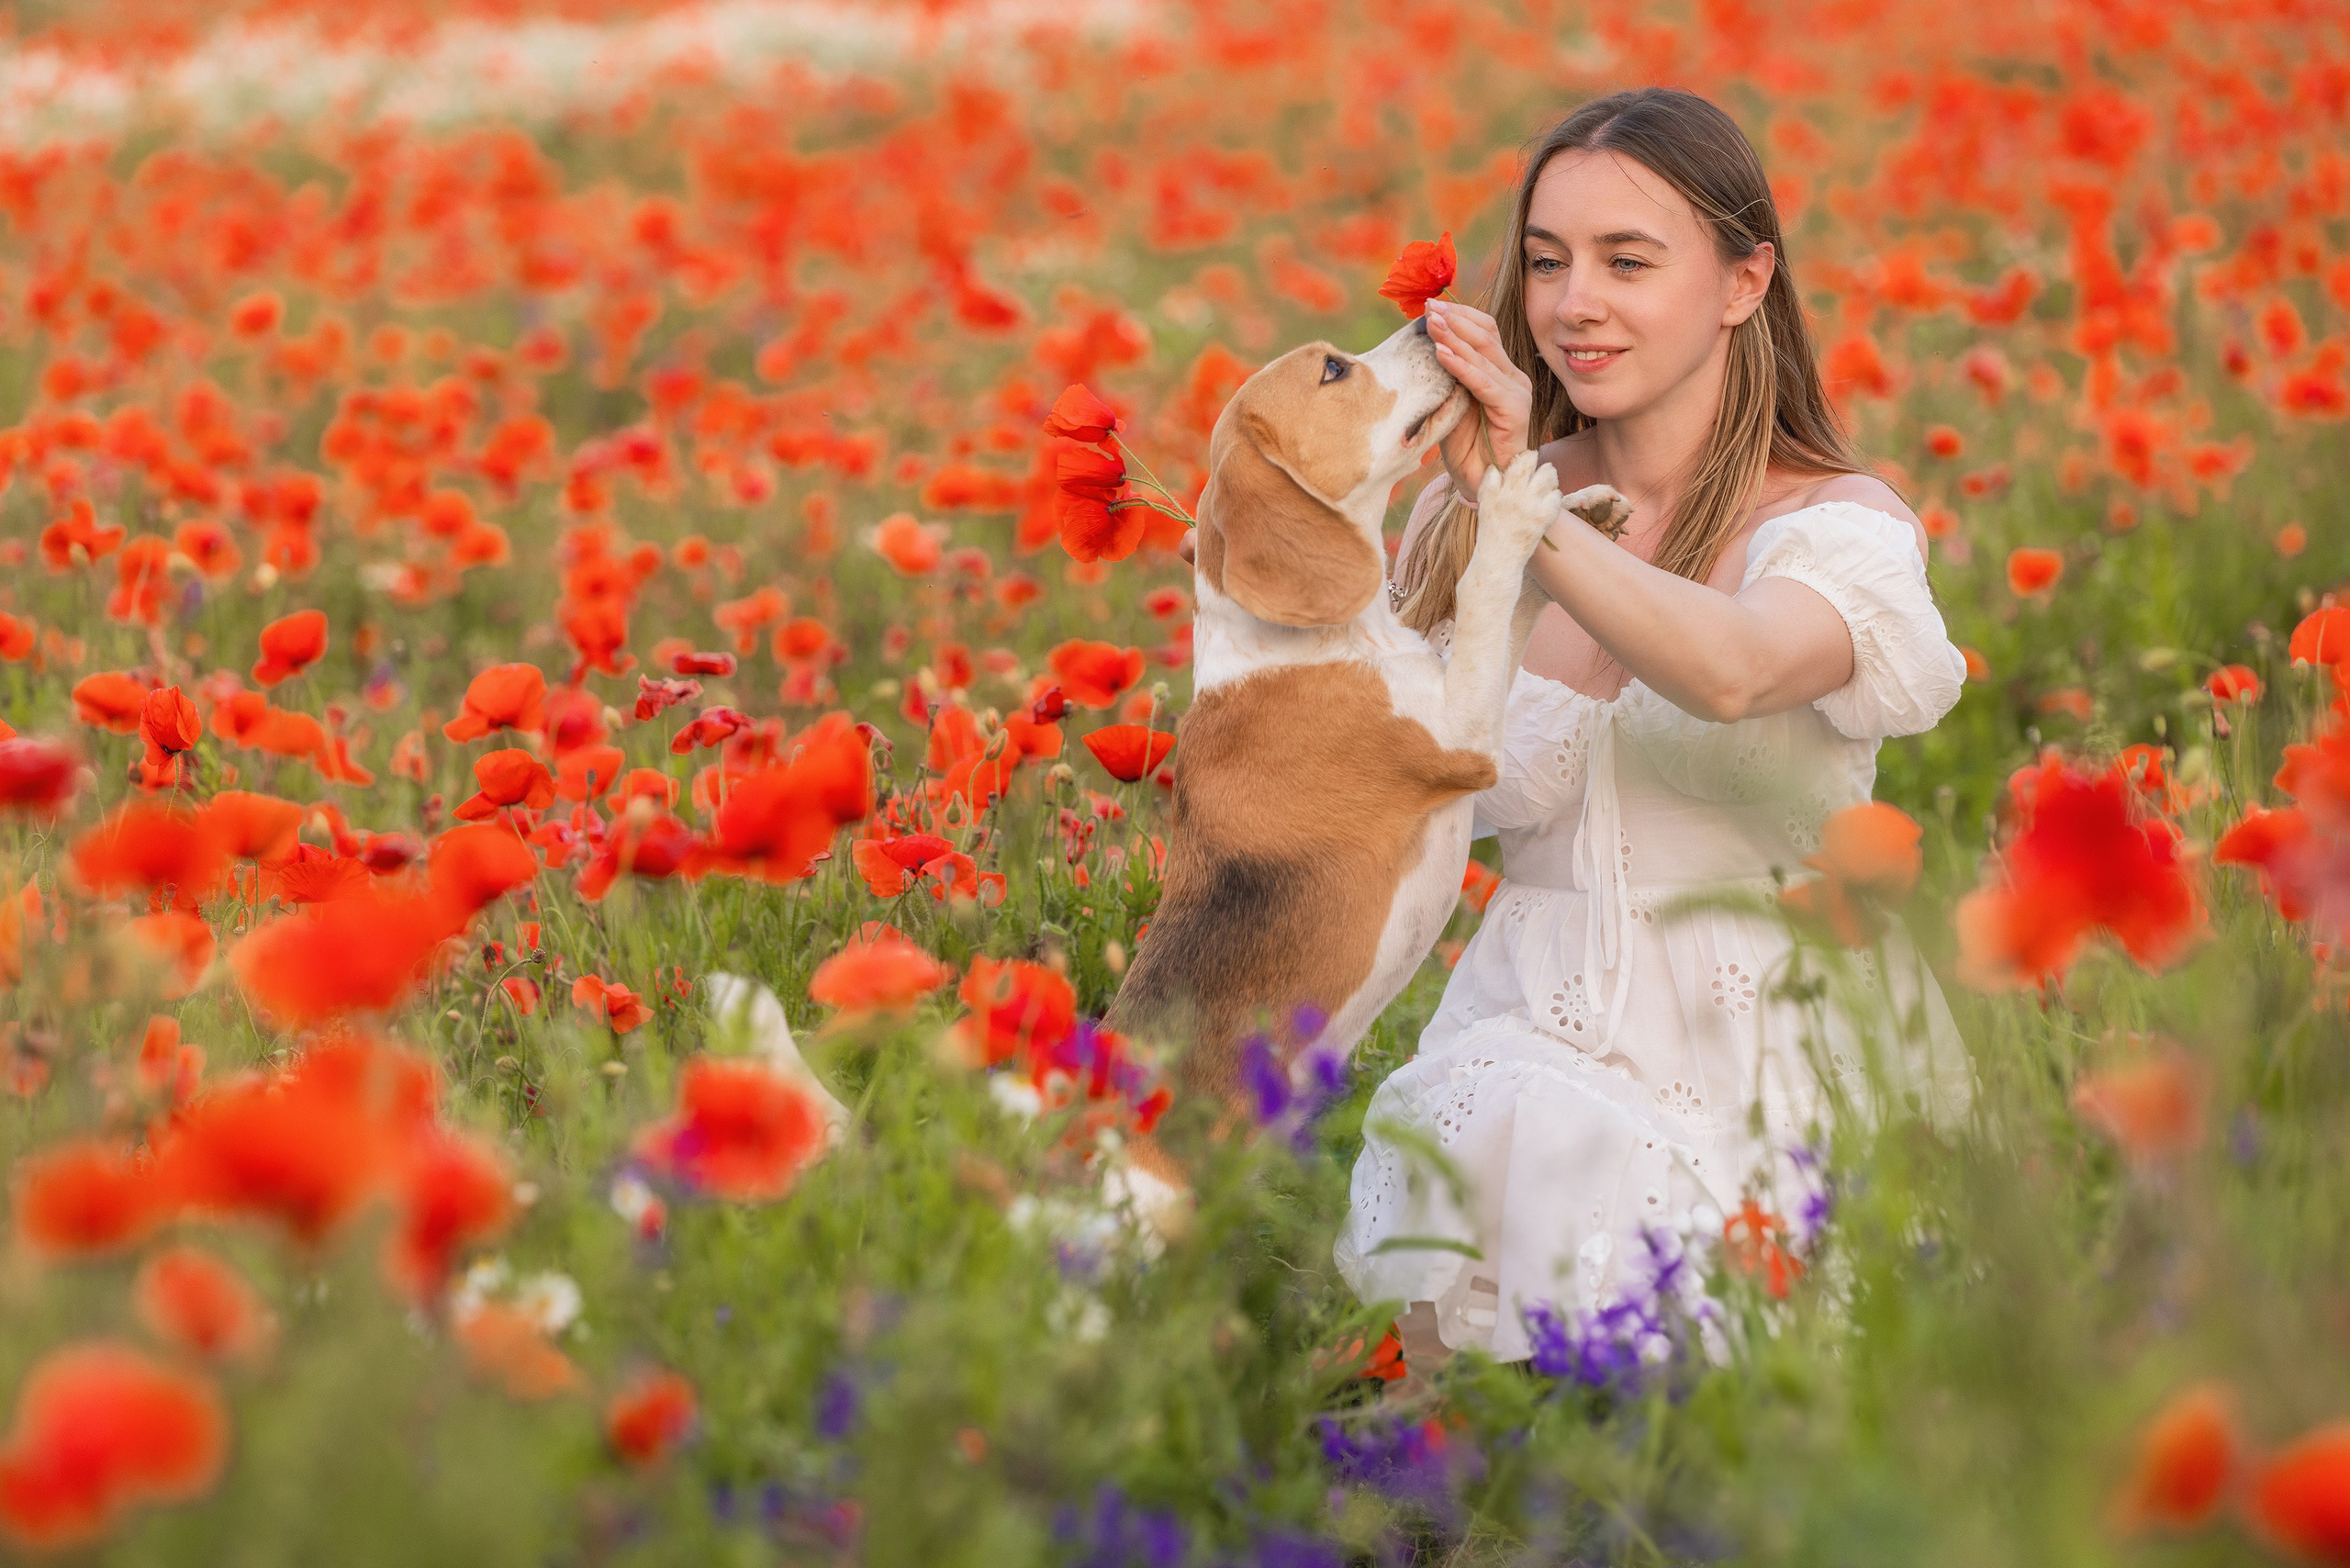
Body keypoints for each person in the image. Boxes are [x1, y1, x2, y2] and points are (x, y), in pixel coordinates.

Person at [1324, 87, 1975, 1371]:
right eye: (1550, 261)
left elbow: (1730, 672)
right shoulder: (1464, 516)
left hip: (1772, 1048)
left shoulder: (1839, 529)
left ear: (1744, 282)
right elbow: (1374, 786)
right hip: (1521, 1038)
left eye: (1630, 261)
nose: (1575, 304)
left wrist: (1522, 510)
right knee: (1488, 1485)